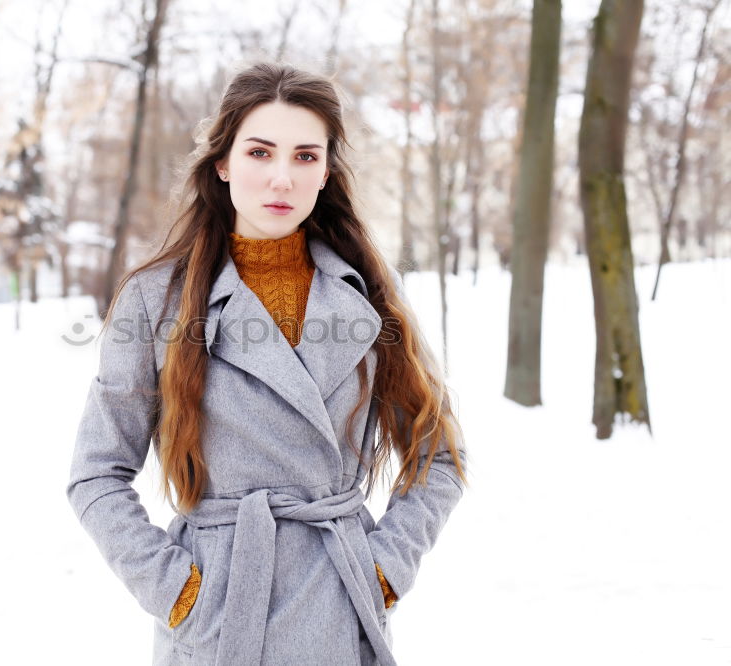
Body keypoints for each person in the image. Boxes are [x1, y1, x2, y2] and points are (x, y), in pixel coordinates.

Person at [67, 61, 469, 666]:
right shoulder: (155, 299)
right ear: (223, 162)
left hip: (339, 601)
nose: (282, 178)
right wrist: (180, 593)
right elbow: (95, 474)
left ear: (327, 170)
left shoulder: (369, 292)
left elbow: (439, 456)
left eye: (306, 156)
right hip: (222, 619)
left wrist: (383, 568)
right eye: (260, 153)